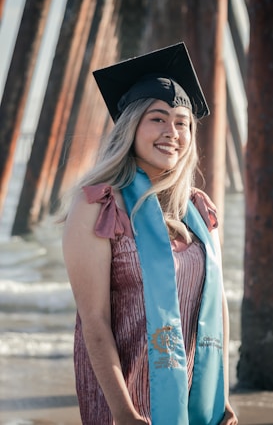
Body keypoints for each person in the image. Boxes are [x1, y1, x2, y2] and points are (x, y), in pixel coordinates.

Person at [62, 42, 238, 425]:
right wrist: (124, 413)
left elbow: (215, 308)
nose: (171, 131)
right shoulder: (99, 205)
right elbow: (94, 321)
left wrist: (221, 398)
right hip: (127, 401)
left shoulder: (199, 211)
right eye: (157, 118)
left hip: (198, 400)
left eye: (182, 122)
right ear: (131, 126)